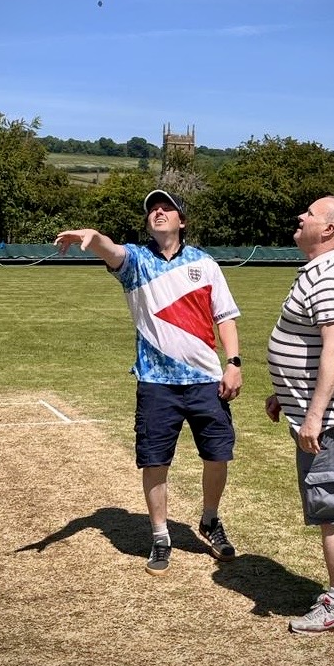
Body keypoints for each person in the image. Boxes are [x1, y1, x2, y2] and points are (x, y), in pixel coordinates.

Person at [55, 190, 243, 577]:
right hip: (156, 382)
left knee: (218, 456)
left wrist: (234, 363)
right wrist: (94, 238)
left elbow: (225, 316)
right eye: (152, 210)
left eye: (166, 208)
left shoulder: (205, 264)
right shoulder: (137, 261)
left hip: (206, 380)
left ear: (182, 220)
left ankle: (209, 520)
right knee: (156, 462)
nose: (158, 212)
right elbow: (112, 252)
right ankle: (160, 535)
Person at [264, 195, 334, 635]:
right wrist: (284, 395)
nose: (301, 217)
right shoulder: (321, 271)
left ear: (327, 229)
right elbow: (308, 345)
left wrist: (313, 417)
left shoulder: (329, 276)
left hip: (331, 422)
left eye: (309, 214)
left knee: (331, 509)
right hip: (324, 414)